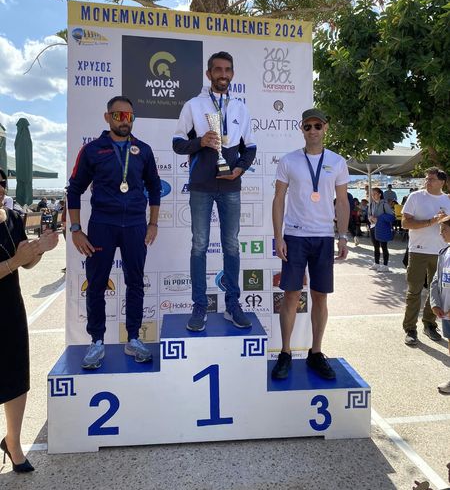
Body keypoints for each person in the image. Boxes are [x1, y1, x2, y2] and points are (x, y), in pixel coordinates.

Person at [67, 96, 161, 368]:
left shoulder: (143, 150)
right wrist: (76, 229)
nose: (124, 121)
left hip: (135, 226)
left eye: (129, 116)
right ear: (107, 117)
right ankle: (96, 341)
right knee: (96, 284)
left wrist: (153, 223)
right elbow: (74, 190)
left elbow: (155, 187)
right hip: (102, 225)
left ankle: (133, 338)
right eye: (118, 115)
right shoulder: (92, 150)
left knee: (135, 283)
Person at [173, 51, 256, 331]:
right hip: (201, 186)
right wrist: (200, 142)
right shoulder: (193, 105)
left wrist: (240, 169)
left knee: (231, 245)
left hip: (231, 185)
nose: (223, 74)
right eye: (217, 69)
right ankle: (200, 306)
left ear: (232, 74)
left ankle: (233, 304)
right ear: (209, 74)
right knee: (199, 246)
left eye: (227, 70)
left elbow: (250, 147)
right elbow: (177, 143)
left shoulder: (240, 108)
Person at [271, 108, 350, 380]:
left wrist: (343, 235)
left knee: (320, 296)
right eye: (308, 126)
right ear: (302, 129)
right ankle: (285, 353)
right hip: (295, 236)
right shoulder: (289, 160)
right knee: (291, 295)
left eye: (317, 126)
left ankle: (316, 353)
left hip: (324, 236)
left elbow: (342, 201)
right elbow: (279, 199)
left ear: (325, 127)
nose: (313, 130)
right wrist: (278, 236)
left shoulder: (337, 162)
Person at [0, 168, 58, 473]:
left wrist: (41, 249)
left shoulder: (12, 218)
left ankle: (13, 442)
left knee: (16, 376)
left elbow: (27, 262)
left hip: (10, 306)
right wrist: (15, 262)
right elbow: (16, 262)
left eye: (2, 183)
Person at [401, 167, 450, 346]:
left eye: (431, 179)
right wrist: (431, 221)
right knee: (414, 291)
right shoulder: (416, 197)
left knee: (436, 291)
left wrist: (444, 220)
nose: (427, 182)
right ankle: (410, 329)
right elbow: (405, 223)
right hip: (418, 251)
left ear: (442, 182)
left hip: (442, 252)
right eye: (426, 179)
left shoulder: (447, 199)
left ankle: (429, 324)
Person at [430, 214, 450, 393]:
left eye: (444, 229)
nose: (440, 233)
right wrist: (435, 303)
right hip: (446, 312)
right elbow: (435, 280)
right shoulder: (444, 253)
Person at [368, 187, 394, 273]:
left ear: (379, 194)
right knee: (375, 246)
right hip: (373, 227)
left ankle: (385, 265)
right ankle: (376, 263)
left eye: (375, 194)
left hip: (382, 228)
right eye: (372, 194)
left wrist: (378, 219)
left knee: (384, 246)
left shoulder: (384, 204)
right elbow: (369, 215)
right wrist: (370, 218)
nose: (373, 196)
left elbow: (391, 216)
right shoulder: (371, 204)